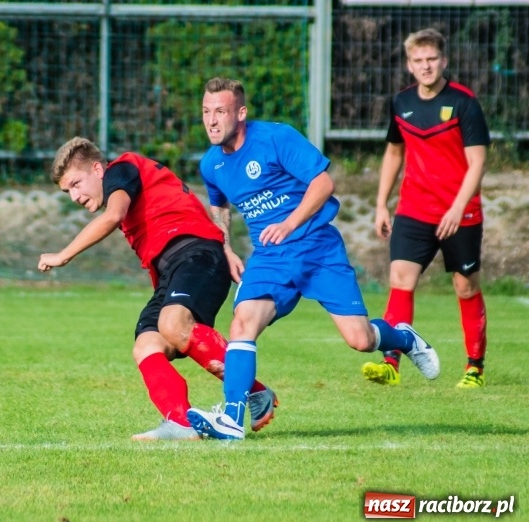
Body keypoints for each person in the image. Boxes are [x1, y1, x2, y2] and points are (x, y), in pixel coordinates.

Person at [186, 77, 440, 441]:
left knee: (360, 339)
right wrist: (225, 248)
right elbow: (219, 207)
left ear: (241, 113)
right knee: (242, 323)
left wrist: (289, 224)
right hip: (271, 258)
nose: (211, 120)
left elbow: (323, 184)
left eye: (220, 111)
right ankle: (232, 417)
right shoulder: (212, 164)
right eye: (206, 112)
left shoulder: (276, 137)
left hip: (317, 247)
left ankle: (403, 339)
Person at [38, 137, 277, 441]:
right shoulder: (131, 183)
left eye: (75, 184)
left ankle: (255, 392)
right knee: (146, 345)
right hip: (174, 269)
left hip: (196, 256)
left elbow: (114, 216)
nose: (74, 196)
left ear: (97, 170)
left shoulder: (121, 169)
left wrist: (63, 255)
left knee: (173, 324)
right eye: (67, 191)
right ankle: (180, 422)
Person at [362, 28, 490, 389]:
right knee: (400, 279)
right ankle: (391, 362)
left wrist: (457, 208)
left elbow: (478, 162)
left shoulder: (464, 103)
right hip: (414, 208)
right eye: (418, 60)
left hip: (460, 212)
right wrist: (381, 204)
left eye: (432, 59)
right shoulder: (401, 102)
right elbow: (394, 152)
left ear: (444, 61)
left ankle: (475, 367)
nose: (426, 66)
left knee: (465, 287)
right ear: (409, 65)